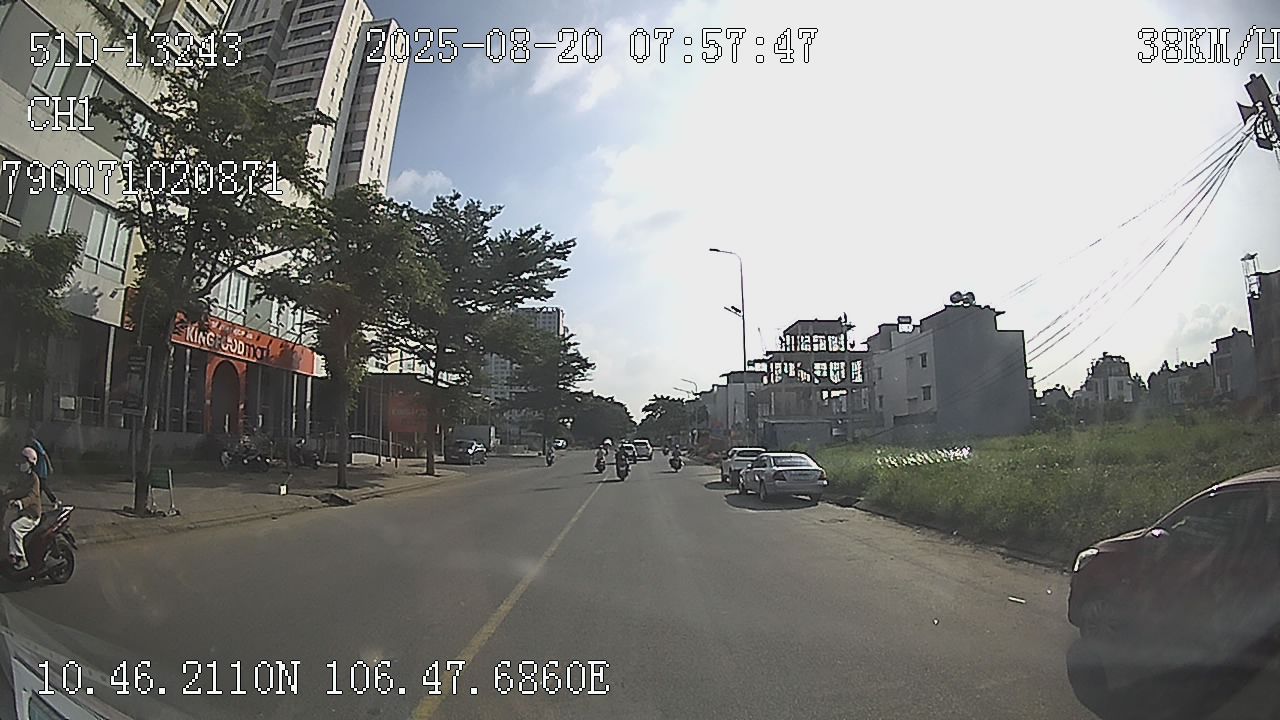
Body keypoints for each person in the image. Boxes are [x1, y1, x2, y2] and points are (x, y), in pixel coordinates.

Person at [4, 448, 42, 571]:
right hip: (22, 513)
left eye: (23, 461)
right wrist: (5, 496)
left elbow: (32, 496)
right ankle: (11, 554)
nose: (21, 463)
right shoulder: (22, 477)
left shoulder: (34, 479)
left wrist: (20, 503)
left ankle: (21, 559)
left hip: (31, 515)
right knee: (6, 526)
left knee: (15, 528)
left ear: (30, 463)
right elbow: (17, 490)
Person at [26, 428, 57, 507]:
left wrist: (49, 466)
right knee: (37, 486)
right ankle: (36, 502)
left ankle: (54, 500)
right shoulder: (30, 445)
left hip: (41, 469)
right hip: (37, 468)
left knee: (43, 485)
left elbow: (44, 454)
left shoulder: (36, 444)